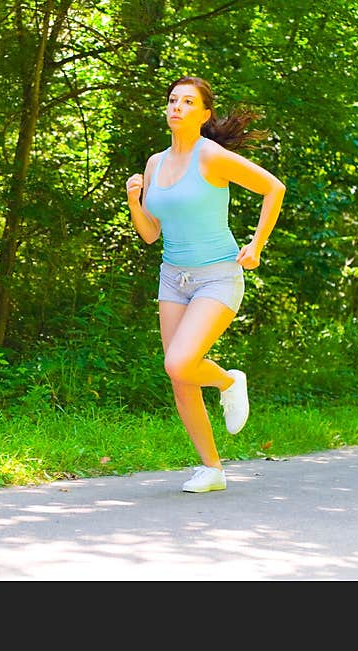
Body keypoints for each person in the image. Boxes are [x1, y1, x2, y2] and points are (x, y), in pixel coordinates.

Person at [125, 76, 286, 493]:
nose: (176, 106)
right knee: (180, 378)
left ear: (204, 114)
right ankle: (212, 468)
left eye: (187, 101)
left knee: (179, 363)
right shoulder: (155, 164)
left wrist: (256, 244)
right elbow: (150, 233)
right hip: (172, 278)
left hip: (217, 276)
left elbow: (273, 187)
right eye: (172, 99)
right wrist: (133, 202)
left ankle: (229, 382)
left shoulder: (211, 155)